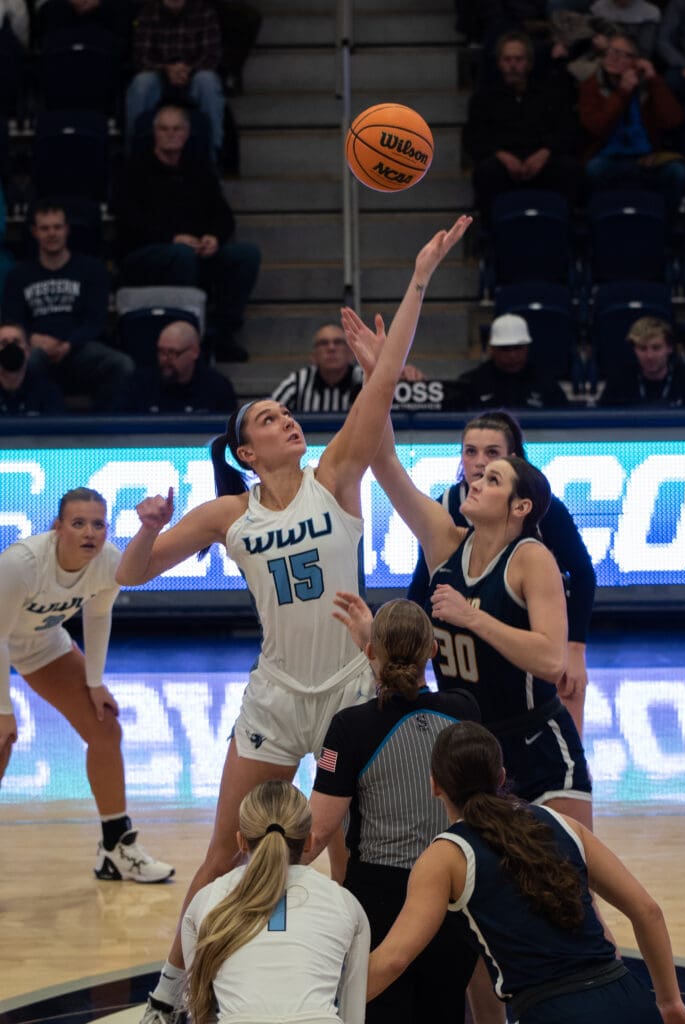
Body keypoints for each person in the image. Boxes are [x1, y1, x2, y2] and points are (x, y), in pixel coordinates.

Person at [116, 214, 472, 1024]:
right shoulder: (226, 515)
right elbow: (132, 577)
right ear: (249, 451)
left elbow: (377, 393)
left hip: (352, 685)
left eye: (287, 415)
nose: (288, 421)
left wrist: (418, 279)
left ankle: (342, 996)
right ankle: (169, 997)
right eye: (271, 421)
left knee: (338, 855)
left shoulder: (336, 475)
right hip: (277, 692)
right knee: (221, 852)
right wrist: (144, 526)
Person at [344, 303, 591, 830]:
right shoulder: (442, 540)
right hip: (466, 742)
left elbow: (550, 661)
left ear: (519, 506)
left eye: (493, 477)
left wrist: (473, 617)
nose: (475, 477)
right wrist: (377, 378)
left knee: (574, 890)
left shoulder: (532, 558)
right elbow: (383, 461)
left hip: (535, 738)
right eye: (474, 467)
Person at [368, 721, 685, 1024]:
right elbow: (647, 911)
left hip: (553, 1011)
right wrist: (669, 1002)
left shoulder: (445, 857)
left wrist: (330, 1003)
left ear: (434, 784)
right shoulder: (562, 823)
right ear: (501, 777)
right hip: (627, 997)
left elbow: (394, 958)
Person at [306, 596, 482, 1024]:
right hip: (455, 897)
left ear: (369, 652)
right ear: (433, 651)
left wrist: (256, 879)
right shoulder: (464, 712)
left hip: (379, 903)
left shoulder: (350, 727)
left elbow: (316, 834)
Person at [0, 487, 174, 882]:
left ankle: (116, 848)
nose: (89, 533)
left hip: (42, 644)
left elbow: (97, 617)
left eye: (97, 524)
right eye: (78, 523)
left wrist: (95, 683)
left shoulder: (109, 562)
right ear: (58, 528)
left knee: (105, 727)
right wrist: (3, 710)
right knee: (2, 741)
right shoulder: (21, 563)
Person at [406, 410, 596, 736]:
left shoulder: (540, 506)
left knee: (567, 684)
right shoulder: (446, 507)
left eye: (492, 453)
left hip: (530, 621)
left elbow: (583, 574)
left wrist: (575, 650)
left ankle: (575, 768)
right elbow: (422, 585)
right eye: (470, 451)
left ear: (512, 459)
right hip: (468, 634)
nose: (479, 462)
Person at [182, 779, 370, 1024]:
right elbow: (353, 1013)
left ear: (241, 841)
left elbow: (199, 1011)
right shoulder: (346, 904)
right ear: (309, 842)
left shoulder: (205, 901)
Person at [114, 103, 261, 363]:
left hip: (194, 251)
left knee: (246, 255)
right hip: (146, 255)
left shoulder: (198, 167)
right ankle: (190, 336)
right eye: (164, 129)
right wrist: (172, 238)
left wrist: (214, 237)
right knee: (181, 255)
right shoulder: (133, 169)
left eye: (176, 129)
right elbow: (129, 222)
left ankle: (222, 331)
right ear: (154, 133)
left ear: (187, 133)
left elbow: (223, 215)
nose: (170, 134)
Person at [1, 202, 134, 411]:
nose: (51, 233)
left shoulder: (92, 269)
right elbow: (13, 319)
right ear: (34, 232)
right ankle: (30, 424)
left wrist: (68, 344)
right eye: (45, 228)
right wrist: (31, 338)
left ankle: (107, 429)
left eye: (57, 227)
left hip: (80, 348)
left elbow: (96, 321)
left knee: (122, 365)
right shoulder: (19, 275)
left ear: (67, 230)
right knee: (26, 360)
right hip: (37, 348)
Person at [463, 31, 583, 219]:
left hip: (542, 158)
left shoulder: (549, 93)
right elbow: (474, 137)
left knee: (569, 170)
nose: (512, 66)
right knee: (486, 173)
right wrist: (502, 156)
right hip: (503, 160)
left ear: (529, 63)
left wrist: (545, 153)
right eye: (507, 59)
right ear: (499, 63)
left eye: (518, 59)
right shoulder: (484, 97)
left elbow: (567, 130)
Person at [578, 32, 685, 211]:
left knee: (677, 171)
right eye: (611, 51)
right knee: (593, 169)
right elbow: (596, 127)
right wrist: (622, 92)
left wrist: (653, 79)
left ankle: (668, 223)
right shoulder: (591, 86)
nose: (613, 57)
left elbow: (673, 121)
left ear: (635, 62)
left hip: (647, 157)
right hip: (608, 157)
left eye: (622, 54)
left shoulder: (648, 85)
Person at [125, 0, 224, 156]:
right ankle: (136, 152)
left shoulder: (204, 12)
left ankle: (212, 152)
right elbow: (141, 57)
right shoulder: (148, 13)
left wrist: (188, 70)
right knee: (141, 83)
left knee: (208, 81)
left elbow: (212, 55)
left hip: (193, 76)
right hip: (159, 76)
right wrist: (166, 70)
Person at [113, 319, 237, 414]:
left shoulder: (218, 387)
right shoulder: (138, 384)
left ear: (194, 352)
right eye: (161, 352)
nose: (164, 359)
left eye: (172, 353)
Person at [457, 313, 569, 410]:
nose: (512, 355)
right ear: (492, 349)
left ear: (527, 348)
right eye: (505, 348)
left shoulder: (546, 384)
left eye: (518, 348)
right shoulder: (471, 383)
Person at [599, 316, 685, 408]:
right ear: (634, 350)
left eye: (656, 348)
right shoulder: (618, 381)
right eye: (643, 348)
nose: (649, 356)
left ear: (669, 348)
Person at [271, 322, 365, 413]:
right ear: (313, 356)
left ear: (351, 353)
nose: (331, 348)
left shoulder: (365, 380)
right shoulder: (299, 381)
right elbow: (267, 411)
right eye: (323, 343)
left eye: (338, 342)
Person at [0, 322, 65, 415]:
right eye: (4, 343)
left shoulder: (47, 392)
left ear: (28, 351)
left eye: (16, 342)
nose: (11, 348)